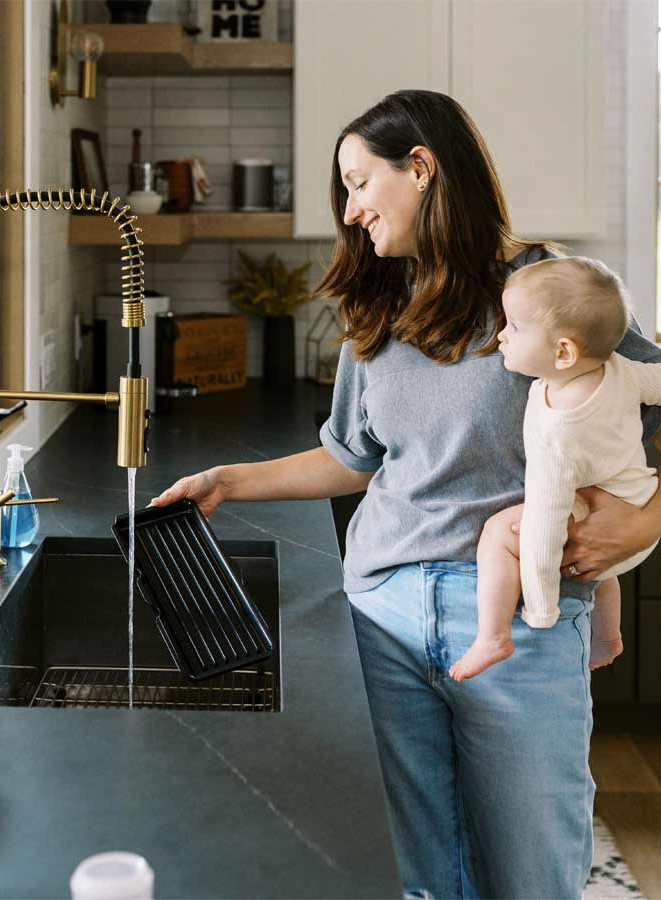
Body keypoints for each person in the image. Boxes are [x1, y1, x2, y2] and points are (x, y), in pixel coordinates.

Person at [149, 90, 661, 899]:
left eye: (358, 183)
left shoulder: (545, 287)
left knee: (531, 873)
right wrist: (231, 481)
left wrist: (644, 521)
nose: (350, 212)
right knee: (420, 878)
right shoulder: (375, 307)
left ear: (420, 167)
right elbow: (353, 457)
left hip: (515, 625)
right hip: (380, 612)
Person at [449, 257, 661, 684]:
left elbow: (545, 524)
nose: (501, 335)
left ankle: (493, 636)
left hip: (609, 527)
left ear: (563, 352)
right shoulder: (621, 371)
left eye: (514, 327)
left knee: (500, 533)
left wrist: (542, 608)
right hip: (637, 501)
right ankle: (607, 636)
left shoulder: (557, 436)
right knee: (601, 574)